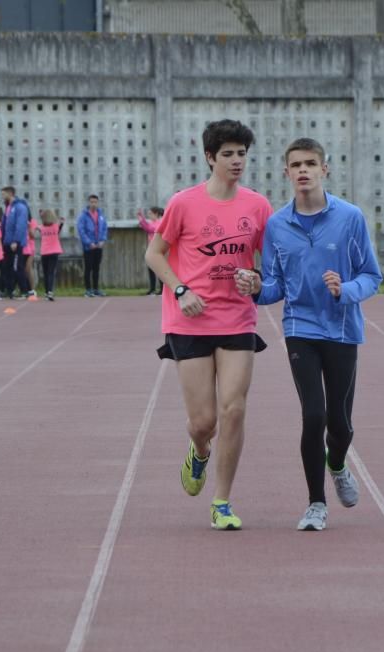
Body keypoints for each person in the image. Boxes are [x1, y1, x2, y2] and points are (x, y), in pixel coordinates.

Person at [236, 137, 383, 532]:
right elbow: (274, 287)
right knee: (313, 414)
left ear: (324, 170)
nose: (303, 171)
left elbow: (372, 276)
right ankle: (316, 503)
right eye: (296, 165)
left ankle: (337, 464)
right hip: (300, 328)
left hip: (342, 328)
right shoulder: (277, 226)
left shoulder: (350, 217)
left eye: (310, 164)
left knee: (341, 423)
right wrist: (254, 288)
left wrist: (345, 290)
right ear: (286, 173)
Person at [145, 119, 272, 531]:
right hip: (190, 321)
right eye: (229, 154)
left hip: (236, 317)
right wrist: (181, 291)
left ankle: (222, 502)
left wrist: (256, 280)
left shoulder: (257, 206)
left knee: (233, 409)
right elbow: (155, 255)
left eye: (242, 154)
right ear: (209, 158)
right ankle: (199, 452)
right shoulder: (184, 203)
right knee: (205, 422)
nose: (237, 161)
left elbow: (268, 266)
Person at [0, 186, 31, 299]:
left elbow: (21, 225)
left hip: (15, 243)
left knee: (18, 267)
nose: (2, 197)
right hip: (7, 242)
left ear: (10, 193)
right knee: (7, 267)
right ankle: (10, 290)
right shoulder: (8, 207)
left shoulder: (20, 207)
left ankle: (24, 291)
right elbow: (4, 225)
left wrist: (16, 240)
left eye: (4, 194)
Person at [77, 194, 108, 297]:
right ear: (88, 203)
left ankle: (96, 289)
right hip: (88, 247)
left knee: (96, 268)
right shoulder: (83, 216)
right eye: (91, 202)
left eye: (95, 202)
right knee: (88, 268)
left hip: (98, 246)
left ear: (98, 203)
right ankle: (88, 289)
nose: (93, 204)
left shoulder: (101, 215)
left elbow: (104, 228)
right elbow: (81, 231)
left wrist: (103, 240)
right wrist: (89, 242)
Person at [137, 206, 164, 295]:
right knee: (151, 270)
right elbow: (148, 226)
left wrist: (141, 219)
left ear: (156, 214)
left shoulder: (159, 222)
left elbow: (148, 228)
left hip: (159, 250)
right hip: (152, 249)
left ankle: (162, 289)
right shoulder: (153, 222)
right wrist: (141, 217)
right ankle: (152, 288)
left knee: (159, 270)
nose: (149, 216)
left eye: (150, 214)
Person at [38, 209, 64, 301]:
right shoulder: (56, 227)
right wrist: (62, 221)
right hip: (54, 252)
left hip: (45, 252)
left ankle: (46, 292)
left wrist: (41, 214)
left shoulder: (41, 228)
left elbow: (39, 223)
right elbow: (60, 226)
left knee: (45, 273)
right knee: (51, 273)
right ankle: (50, 292)